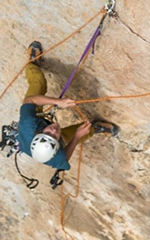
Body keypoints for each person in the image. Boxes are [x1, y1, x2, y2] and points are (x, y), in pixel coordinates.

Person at [18, 41, 118, 172]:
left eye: (48, 132)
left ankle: (33, 64)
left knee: (39, 82)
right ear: (56, 146)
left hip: (36, 120)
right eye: (54, 136)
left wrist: (58, 102)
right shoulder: (56, 158)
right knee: (82, 131)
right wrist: (77, 136)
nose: (54, 130)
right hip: (46, 137)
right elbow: (65, 158)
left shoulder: (27, 125)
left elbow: (30, 100)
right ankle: (95, 127)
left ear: (40, 132)